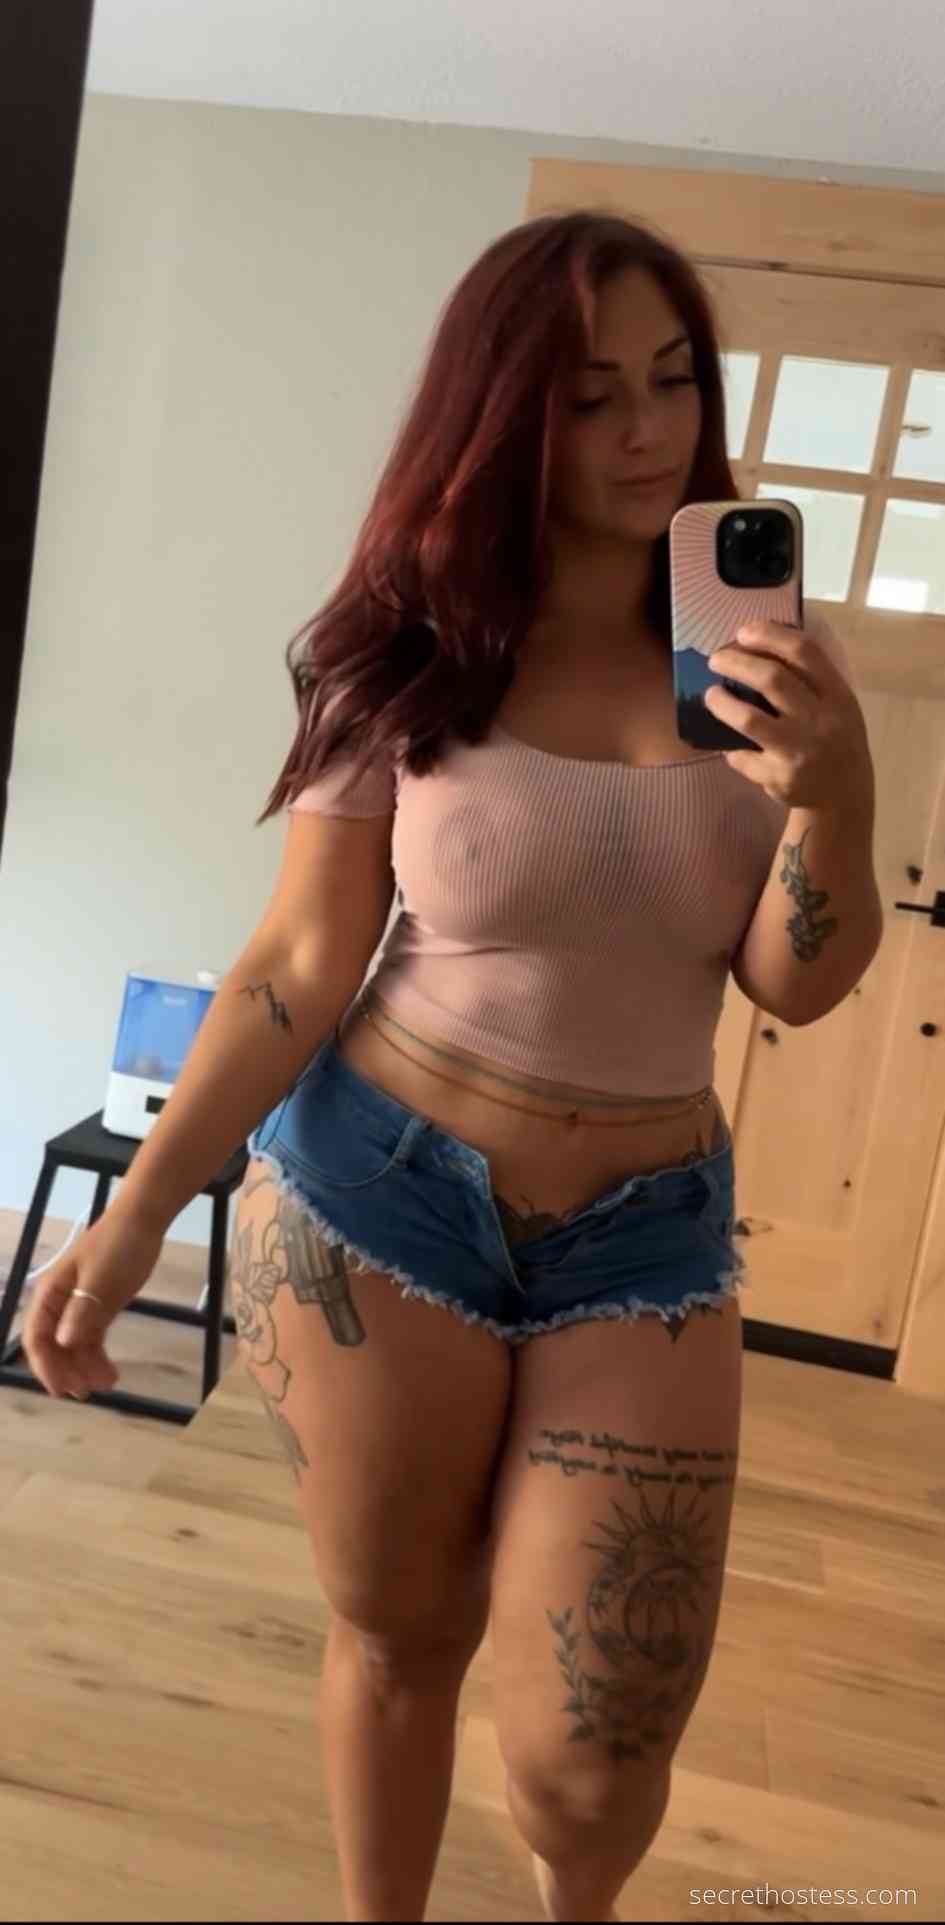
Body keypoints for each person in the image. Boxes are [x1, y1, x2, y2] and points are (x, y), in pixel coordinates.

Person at [23, 210, 878, 1923]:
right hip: (376, 1201)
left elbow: (793, 981)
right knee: (402, 1636)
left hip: (644, 1235)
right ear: (502, 417)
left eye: (671, 381)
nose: (646, 431)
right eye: (588, 398)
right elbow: (295, 965)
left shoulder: (770, 658)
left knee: (592, 1758)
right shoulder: (408, 642)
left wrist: (836, 790)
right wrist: (131, 1222)